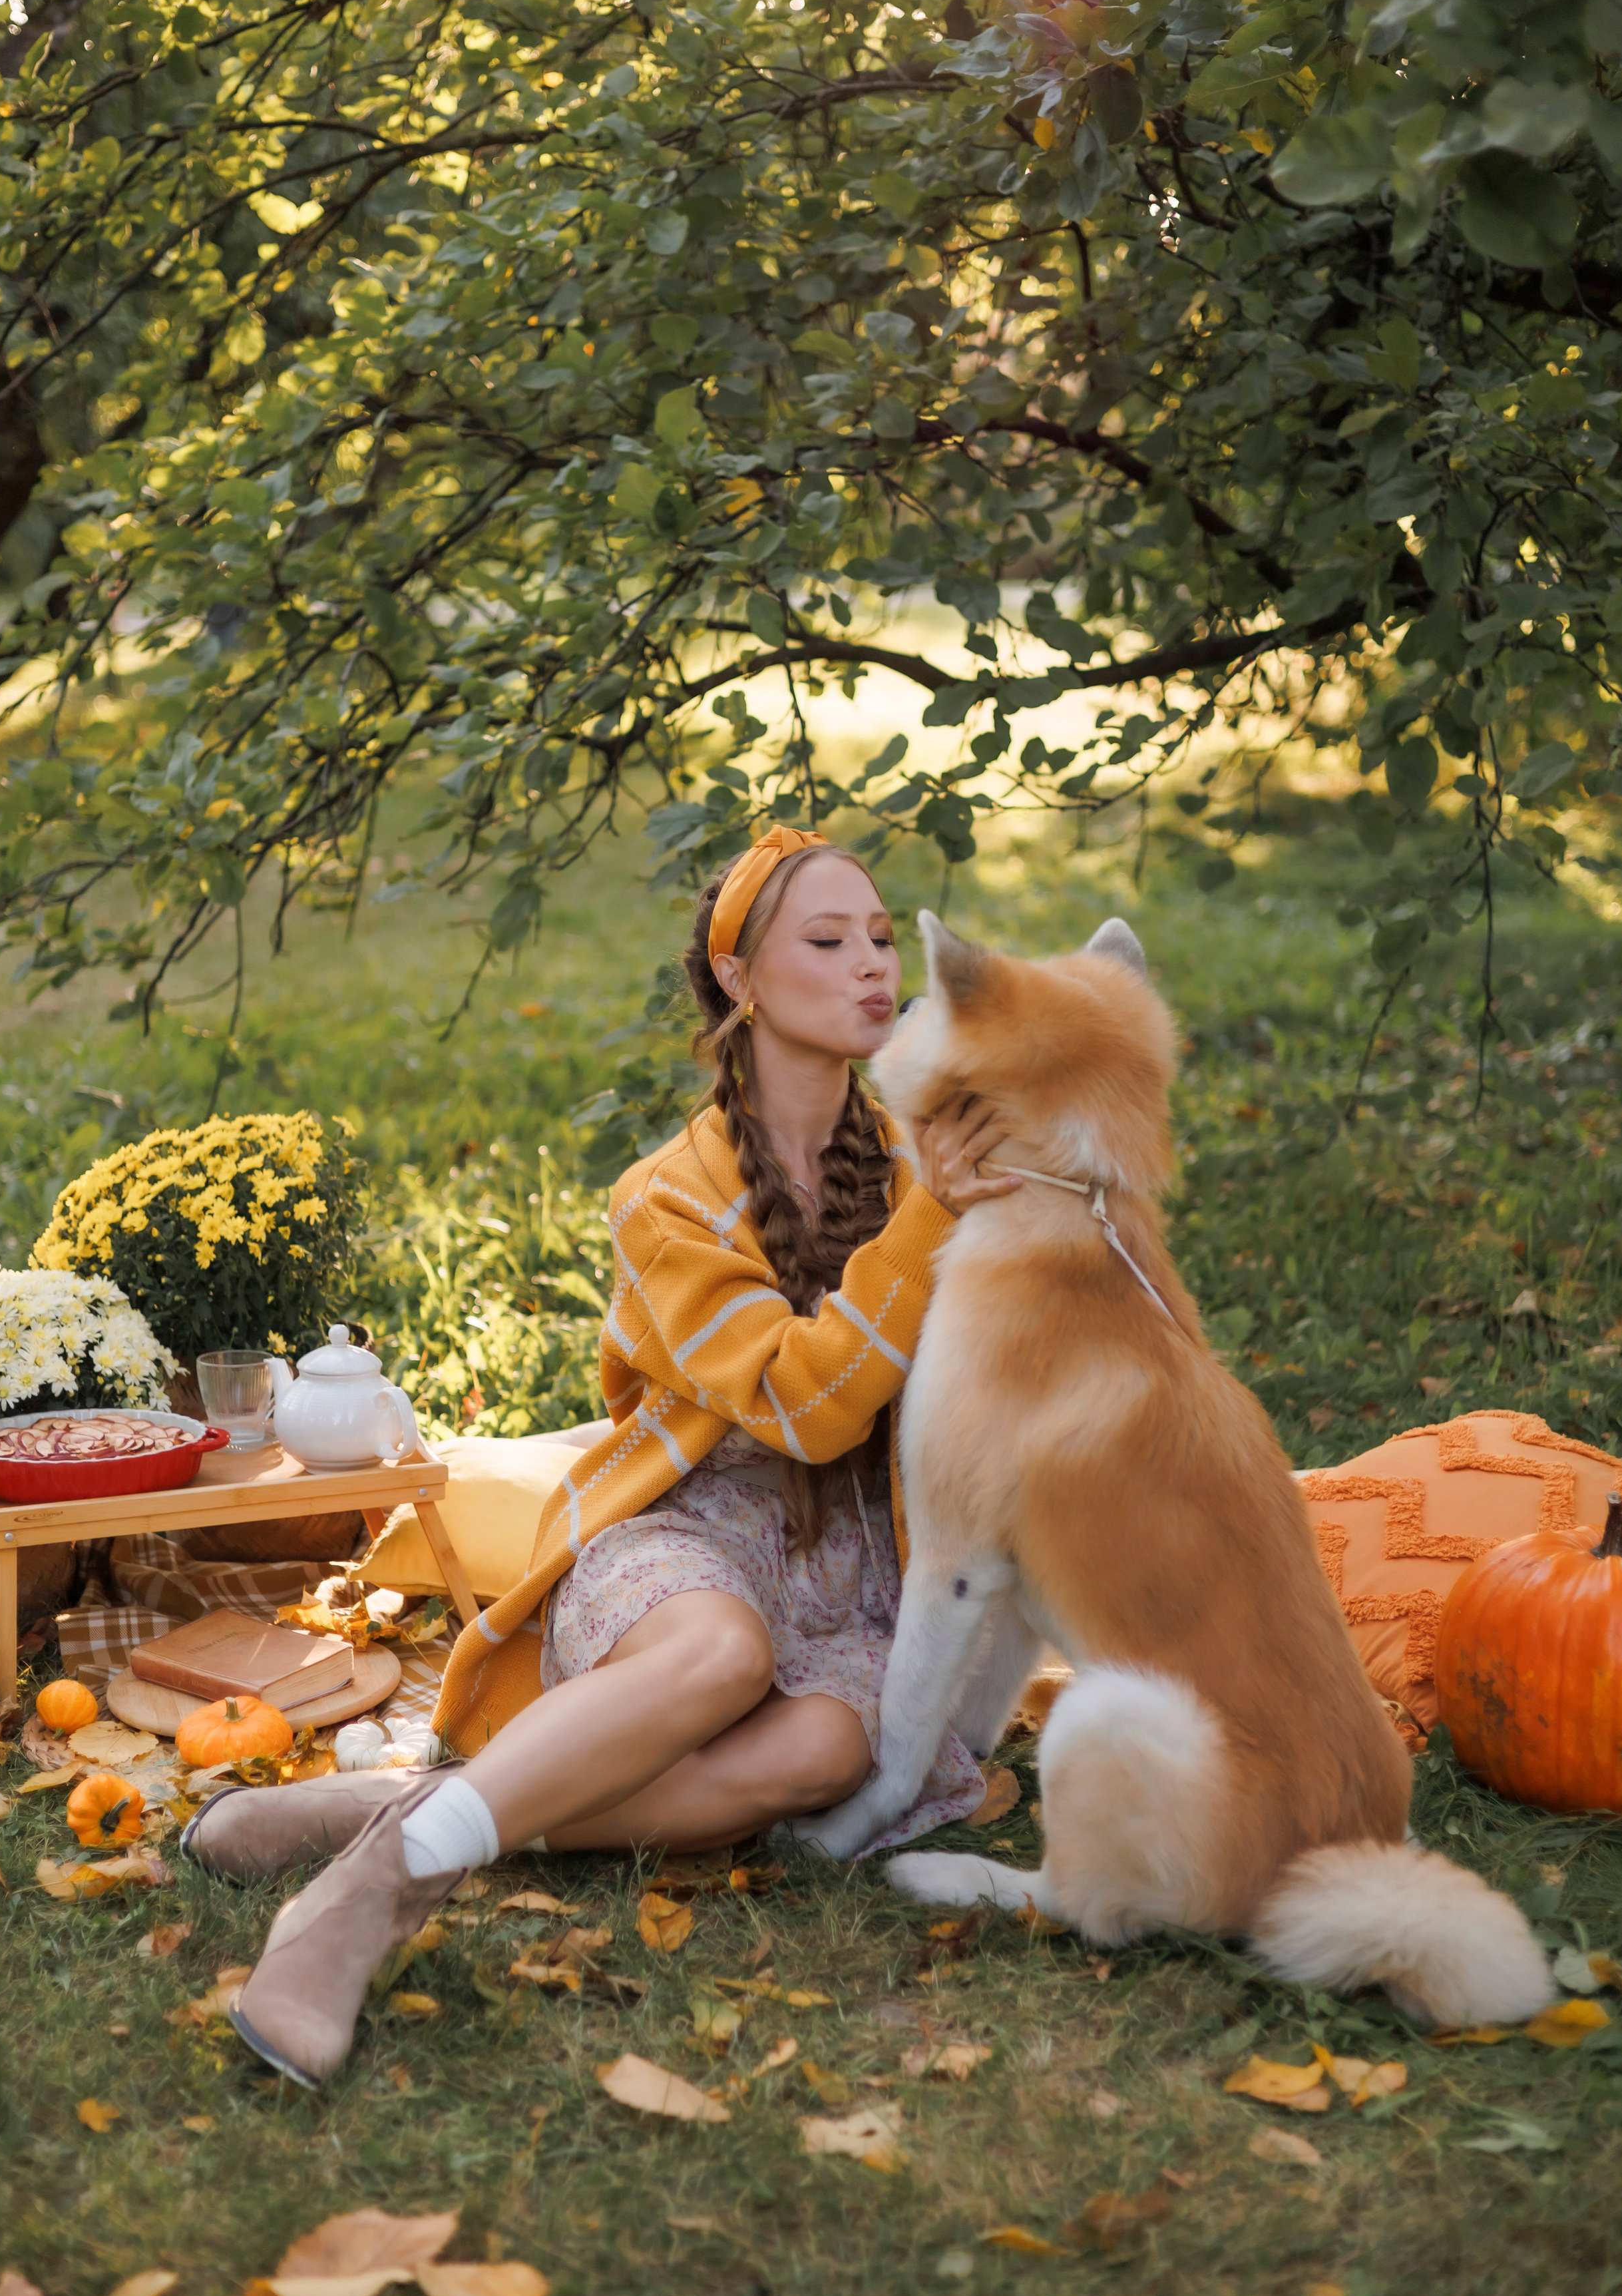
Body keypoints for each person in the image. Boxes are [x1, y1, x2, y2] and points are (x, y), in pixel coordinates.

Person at [189, 825, 1018, 2086]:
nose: (872, 966)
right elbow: (806, 1410)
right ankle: (377, 1888)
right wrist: (929, 1227)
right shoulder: (668, 1201)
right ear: (740, 980)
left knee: (829, 1753)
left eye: (883, 938)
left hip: (861, 1568)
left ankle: (390, 1811)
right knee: (722, 1655)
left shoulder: (920, 1158)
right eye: (828, 940)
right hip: (694, 1532)